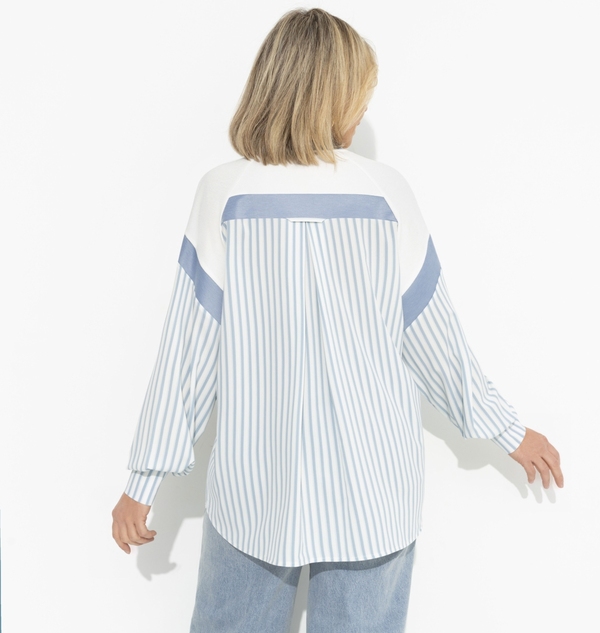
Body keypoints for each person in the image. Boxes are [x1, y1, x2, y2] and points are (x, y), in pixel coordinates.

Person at [111, 8, 563, 633]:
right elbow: (434, 341)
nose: (364, 110)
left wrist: (143, 479)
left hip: (255, 486)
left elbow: (189, 351)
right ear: (331, 96)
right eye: (361, 95)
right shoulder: (386, 193)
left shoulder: (224, 191)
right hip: (373, 491)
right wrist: (510, 430)